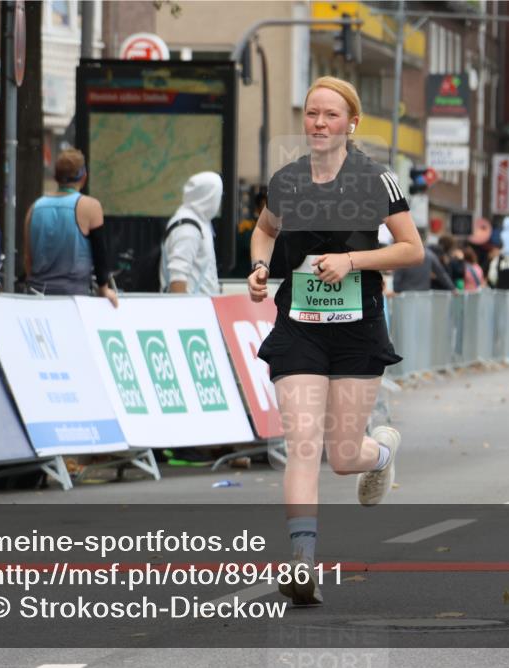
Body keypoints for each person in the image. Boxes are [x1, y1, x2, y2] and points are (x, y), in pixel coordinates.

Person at [247, 76, 423, 606]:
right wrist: (260, 267)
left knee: (344, 456)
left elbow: (411, 249)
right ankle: (302, 562)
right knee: (302, 442)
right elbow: (264, 230)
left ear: (351, 123)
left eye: (330, 115)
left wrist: (352, 260)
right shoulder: (287, 180)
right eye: (311, 113)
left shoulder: (375, 179)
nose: (319, 123)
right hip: (299, 326)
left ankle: (381, 453)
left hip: (356, 329)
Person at [24, 148, 117, 308]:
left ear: (55, 177)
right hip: (74, 299)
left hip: (37, 297)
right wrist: (104, 289)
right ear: (84, 177)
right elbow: (100, 254)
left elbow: (28, 259)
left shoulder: (34, 208)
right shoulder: (90, 206)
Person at [159, 171, 222, 295]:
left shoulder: (200, 222)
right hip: (191, 306)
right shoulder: (187, 228)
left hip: (201, 304)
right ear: (209, 196)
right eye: (218, 195)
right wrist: (184, 307)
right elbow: (178, 277)